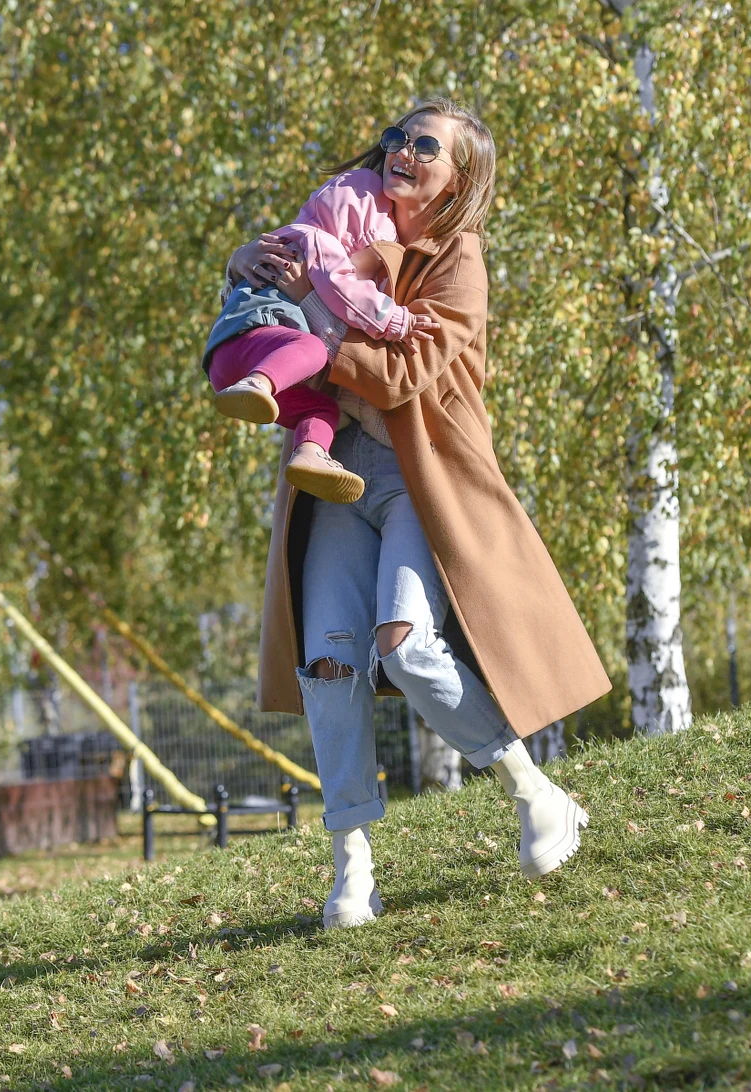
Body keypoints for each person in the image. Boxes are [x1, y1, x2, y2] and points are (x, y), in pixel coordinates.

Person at [231, 98, 611, 929]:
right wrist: (243, 261)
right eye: (397, 137)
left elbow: (404, 376)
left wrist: (317, 313)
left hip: (421, 477)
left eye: (425, 146)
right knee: (328, 663)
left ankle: (537, 795)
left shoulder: (459, 259)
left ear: (460, 176)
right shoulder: (341, 216)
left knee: (403, 647)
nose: (402, 151)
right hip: (334, 473)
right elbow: (272, 290)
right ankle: (352, 869)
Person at [204, 155, 439, 504]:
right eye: (372, 257)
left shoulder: (291, 237)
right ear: (355, 230)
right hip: (253, 346)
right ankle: (258, 384)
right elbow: (347, 294)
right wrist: (397, 321)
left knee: (323, 411)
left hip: (235, 360)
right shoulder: (318, 243)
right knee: (312, 350)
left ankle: (311, 453)